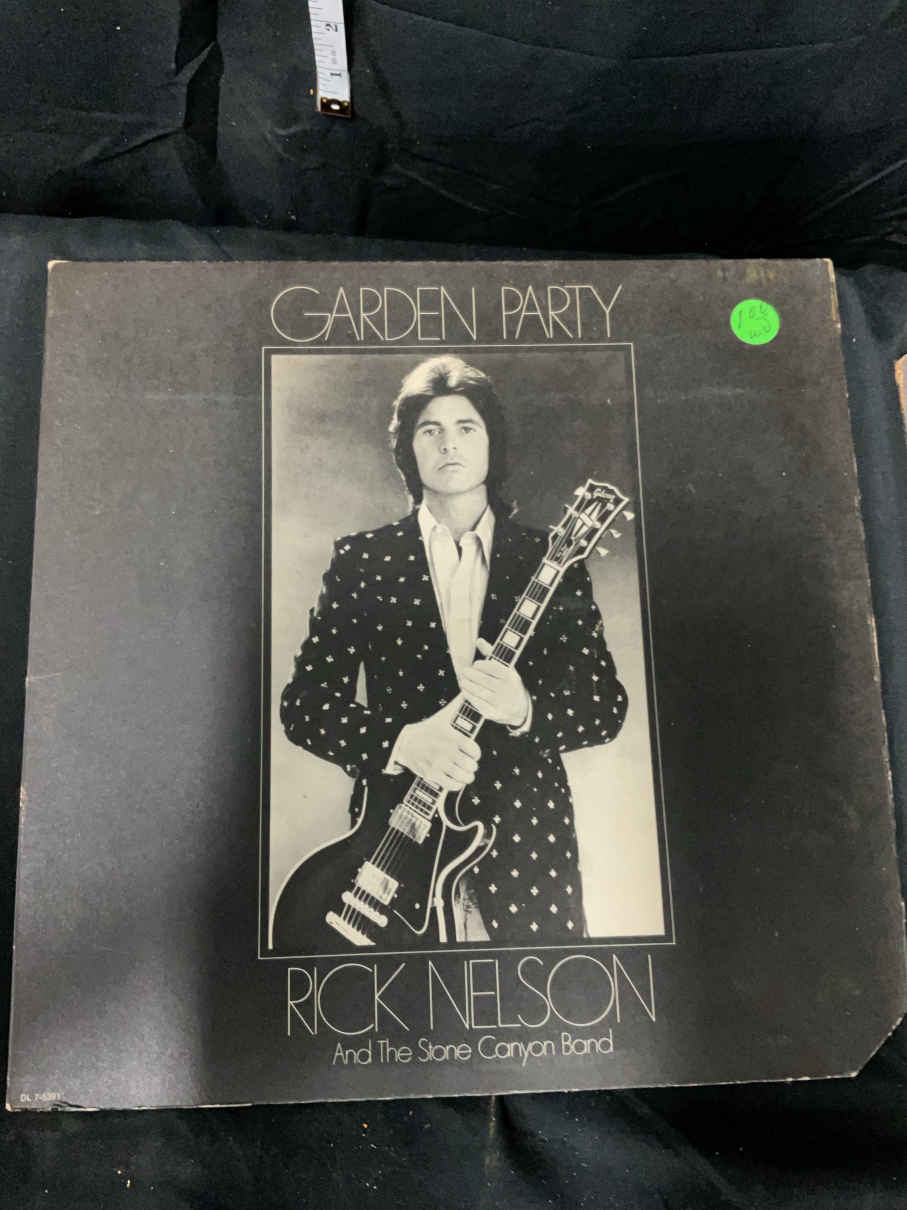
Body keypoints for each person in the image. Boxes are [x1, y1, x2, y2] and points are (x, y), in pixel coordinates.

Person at [279, 355, 627, 942]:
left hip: (527, 854)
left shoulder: (551, 560)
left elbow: (604, 706)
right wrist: (402, 742)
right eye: (430, 430)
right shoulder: (363, 562)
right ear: (408, 450)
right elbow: (305, 706)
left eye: (467, 427)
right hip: (393, 859)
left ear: (492, 443)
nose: (449, 444)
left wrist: (523, 709)